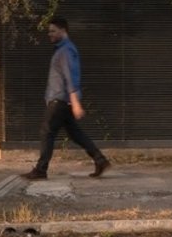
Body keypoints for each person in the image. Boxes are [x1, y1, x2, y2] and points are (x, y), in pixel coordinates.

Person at [22, 16, 110, 180]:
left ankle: (41, 170)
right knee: (75, 133)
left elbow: (70, 77)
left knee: (46, 132)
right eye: (49, 31)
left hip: (60, 100)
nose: (50, 34)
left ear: (63, 31)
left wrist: (75, 101)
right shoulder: (63, 50)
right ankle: (100, 160)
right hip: (62, 100)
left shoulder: (66, 51)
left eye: (53, 31)